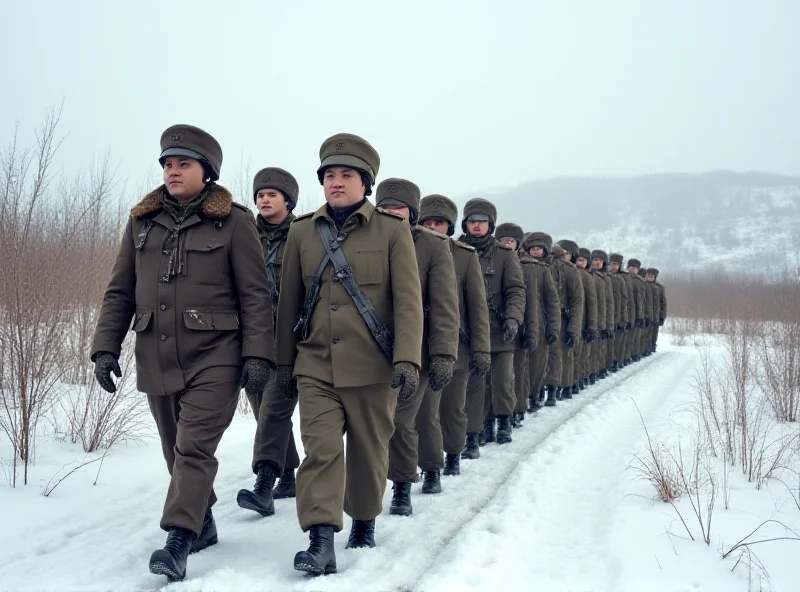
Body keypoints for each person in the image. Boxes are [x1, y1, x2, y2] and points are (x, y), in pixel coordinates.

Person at [91, 124, 274, 582]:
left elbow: (255, 294)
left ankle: (178, 540)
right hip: (157, 351)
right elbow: (120, 291)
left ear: (206, 172)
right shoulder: (141, 222)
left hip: (218, 353)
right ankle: (203, 518)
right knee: (174, 448)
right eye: (168, 164)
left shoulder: (234, 221)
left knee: (194, 446)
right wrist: (104, 348)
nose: (173, 171)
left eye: (183, 164)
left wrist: (258, 355)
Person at [275, 133, 423, 575]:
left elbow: (409, 303)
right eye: (329, 176)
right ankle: (321, 539)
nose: (336, 183)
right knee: (320, 450)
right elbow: (288, 305)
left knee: (369, 450)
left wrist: (408, 360)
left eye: (346, 175)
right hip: (316, 364)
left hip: (374, 366)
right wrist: (285, 363)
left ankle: (363, 517)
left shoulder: (393, 232)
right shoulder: (302, 232)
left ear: (366, 183)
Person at [376, 179, 459, 513]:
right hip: (369, 350)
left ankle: (401, 486)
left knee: (401, 421)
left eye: (399, 209)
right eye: (386, 208)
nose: (392, 214)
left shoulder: (433, 247)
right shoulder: (361, 239)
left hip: (417, 351)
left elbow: (444, 306)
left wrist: (442, 354)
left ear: (412, 213)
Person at [237, 167, 302, 516]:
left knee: (275, 406)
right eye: (260, 195)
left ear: (288, 200)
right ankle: (288, 475)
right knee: (263, 406)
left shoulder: (304, 233)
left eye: (272, 194)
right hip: (253, 337)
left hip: (291, 337)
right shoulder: (245, 233)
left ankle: (264, 483)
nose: (264, 199)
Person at [415, 195, 490, 465]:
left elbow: (477, 308)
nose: (433, 227)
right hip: (420, 346)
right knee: (426, 412)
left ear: (450, 226)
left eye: (440, 223)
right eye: (428, 222)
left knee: (453, 408)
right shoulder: (408, 249)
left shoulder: (464, 256)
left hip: (458, 345)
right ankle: (429, 465)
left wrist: (481, 348)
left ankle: (454, 452)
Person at [459, 199, 526, 446]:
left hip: (500, 331)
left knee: (502, 381)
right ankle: (475, 433)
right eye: (472, 222)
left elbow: (516, 291)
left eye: (482, 222)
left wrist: (513, 318)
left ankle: (504, 422)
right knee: (473, 387)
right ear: (465, 224)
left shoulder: (505, 256)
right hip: (468, 333)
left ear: (491, 225)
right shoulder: (454, 249)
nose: (477, 226)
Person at [496, 223, 540, 428]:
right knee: (496, 378)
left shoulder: (529, 267)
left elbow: (531, 303)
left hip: (519, 329)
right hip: (495, 328)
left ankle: (516, 410)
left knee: (517, 373)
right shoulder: (492, 260)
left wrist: (531, 331)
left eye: (510, 241)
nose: (506, 243)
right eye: (502, 240)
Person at [521, 232, 561, 410]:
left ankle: (535, 394)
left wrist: (553, 327)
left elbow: (553, 302)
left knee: (538, 363)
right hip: (521, 321)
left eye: (539, 249)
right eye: (533, 248)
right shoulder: (517, 264)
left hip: (541, 323)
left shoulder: (550, 269)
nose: (536, 252)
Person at [551, 240, 585, 401]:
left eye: (567, 253)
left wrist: (574, 328)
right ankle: (552, 386)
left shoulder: (572, 272)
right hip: (549, 317)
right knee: (551, 355)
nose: (564, 256)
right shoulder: (549, 267)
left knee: (565, 354)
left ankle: (565, 386)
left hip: (566, 318)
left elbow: (579, 302)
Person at [574, 247, 598, 391]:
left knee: (582, 353)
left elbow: (592, 303)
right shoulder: (568, 272)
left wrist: (592, 326)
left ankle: (580, 378)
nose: (579, 263)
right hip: (569, 320)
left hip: (583, 321)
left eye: (582, 260)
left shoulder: (587, 277)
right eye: (577, 259)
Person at [608, 253, 629, 371]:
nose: (613, 267)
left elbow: (624, 300)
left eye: (616, 264)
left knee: (617, 341)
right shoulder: (605, 276)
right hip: (607, 313)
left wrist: (623, 318)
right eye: (612, 264)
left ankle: (616, 361)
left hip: (618, 314)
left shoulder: (621, 279)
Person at [646, 268, 667, 352]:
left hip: (656, 315)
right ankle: (645, 348)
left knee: (654, 334)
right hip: (646, 314)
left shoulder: (660, 288)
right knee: (645, 334)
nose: (650, 277)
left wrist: (662, 316)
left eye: (652, 276)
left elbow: (663, 304)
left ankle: (652, 345)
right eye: (648, 275)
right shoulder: (642, 284)